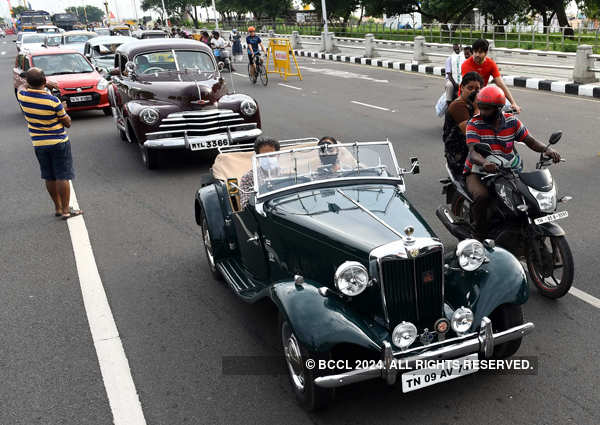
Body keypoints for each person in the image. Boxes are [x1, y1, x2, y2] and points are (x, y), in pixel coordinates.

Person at [464, 85, 560, 240]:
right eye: (481, 107)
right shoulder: (474, 123)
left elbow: (530, 141)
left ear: (498, 108)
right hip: (477, 171)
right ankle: (478, 234)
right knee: (482, 196)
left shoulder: (512, 122)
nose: (483, 112)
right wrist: (484, 163)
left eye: (487, 108)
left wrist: (546, 150)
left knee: (525, 196)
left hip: (507, 170)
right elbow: (473, 152)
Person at [16, 68, 82, 220]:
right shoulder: (52, 100)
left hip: (39, 143)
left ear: (29, 82)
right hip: (58, 142)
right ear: (44, 81)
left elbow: (21, 86)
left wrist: (30, 82)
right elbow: (67, 122)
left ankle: (58, 208)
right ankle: (66, 210)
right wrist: (63, 109)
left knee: (49, 176)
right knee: (62, 176)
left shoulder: (23, 96)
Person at [462, 38, 521, 114]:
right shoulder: (466, 65)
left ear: (486, 53)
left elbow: (500, 83)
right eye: (475, 52)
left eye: (480, 52)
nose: (477, 55)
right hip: (468, 96)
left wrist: (513, 103)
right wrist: (476, 109)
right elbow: (469, 89)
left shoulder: (491, 64)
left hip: (482, 95)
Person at [443, 71, 484, 176]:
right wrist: (477, 108)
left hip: (472, 147)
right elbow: (470, 132)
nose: (473, 92)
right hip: (459, 152)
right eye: (470, 88)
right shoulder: (458, 105)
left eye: (477, 90)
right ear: (462, 88)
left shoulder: (472, 104)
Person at [239, 137, 281, 208]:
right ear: (257, 158)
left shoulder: (289, 174)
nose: (268, 159)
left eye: (271, 155)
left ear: (278, 155)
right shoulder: (248, 178)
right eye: (264, 156)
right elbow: (245, 205)